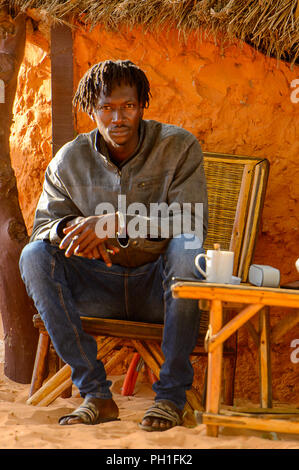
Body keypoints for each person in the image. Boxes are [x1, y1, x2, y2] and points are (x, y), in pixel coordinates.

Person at [19, 60, 208, 431]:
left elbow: (192, 223)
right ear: (91, 109)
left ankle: (170, 398)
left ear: (143, 106)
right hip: (97, 284)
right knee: (34, 256)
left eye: (128, 106)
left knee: (187, 248)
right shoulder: (68, 160)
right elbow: (42, 228)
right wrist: (73, 227)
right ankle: (95, 394)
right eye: (106, 108)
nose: (117, 118)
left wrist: (117, 223)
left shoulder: (178, 147)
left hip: (158, 288)